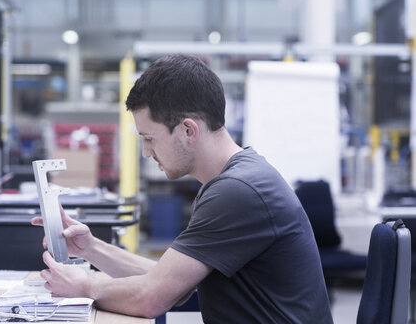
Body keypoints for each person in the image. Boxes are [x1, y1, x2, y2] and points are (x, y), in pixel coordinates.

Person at [32, 54, 333, 323]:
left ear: (188, 130)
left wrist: (84, 287)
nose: (147, 152)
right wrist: (91, 248)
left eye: (149, 139)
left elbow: (154, 297)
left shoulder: (238, 191)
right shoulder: (233, 180)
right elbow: (167, 280)